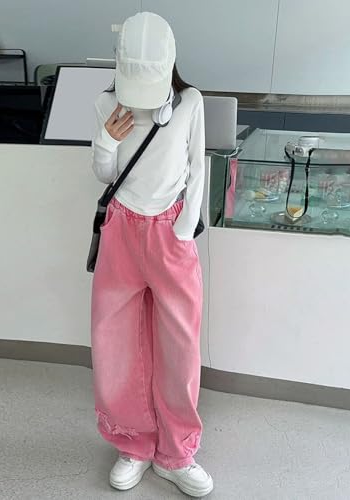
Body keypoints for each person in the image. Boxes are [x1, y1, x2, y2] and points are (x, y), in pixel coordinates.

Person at [90, 12, 213, 498]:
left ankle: (177, 451)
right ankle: (133, 444)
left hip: (170, 231)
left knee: (180, 344)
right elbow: (105, 173)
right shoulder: (107, 102)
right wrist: (107, 140)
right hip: (122, 229)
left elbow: (197, 164)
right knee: (116, 340)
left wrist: (185, 228)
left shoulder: (190, 101)